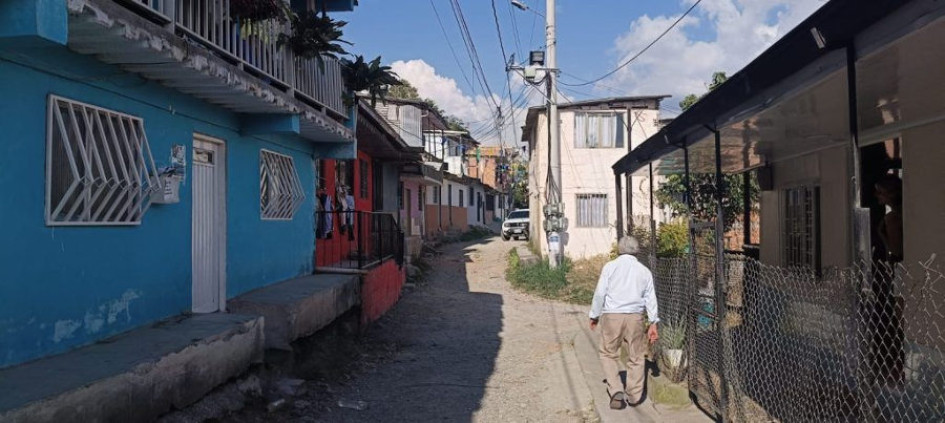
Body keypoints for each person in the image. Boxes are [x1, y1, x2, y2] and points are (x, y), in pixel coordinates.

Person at [589, 236, 659, 409]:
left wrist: (594, 315)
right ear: (637, 251)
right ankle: (634, 396)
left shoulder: (610, 267)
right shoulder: (644, 271)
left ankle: (616, 390)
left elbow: (600, 293)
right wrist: (653, 323)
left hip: (612, 316)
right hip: (635, 317)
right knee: (636, 356)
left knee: (608, 353)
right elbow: (651, 298)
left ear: (619, 249)